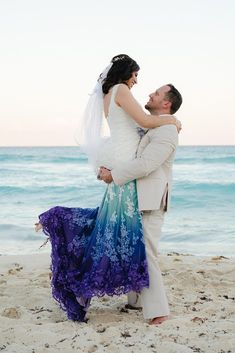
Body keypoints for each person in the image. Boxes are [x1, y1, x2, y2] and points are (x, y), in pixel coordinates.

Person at [35, 54, 181, 322]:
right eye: (135, 75)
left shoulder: (158, 125)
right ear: (125, 73)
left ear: (166, 103)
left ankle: (147, 307)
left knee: (132, 245)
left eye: (156, 92)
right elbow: (139, 133)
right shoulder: (127, 99)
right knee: (126, 243)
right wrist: (110, 169)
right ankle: (141, 305)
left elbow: (144, 156)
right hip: (129, 185)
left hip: (142, 192)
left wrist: (113, 171)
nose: (141, 85)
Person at [99, 83, 182, 325]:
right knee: (133, 248)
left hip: (152, 200)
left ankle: (159, 310)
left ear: (166, 103)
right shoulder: (152, 127)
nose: (149, 94)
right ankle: (135, 300)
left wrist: (114, 176)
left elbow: (146, 164)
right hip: (135, 198)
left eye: (156, 94)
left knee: (147, 253)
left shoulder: (167, 131)